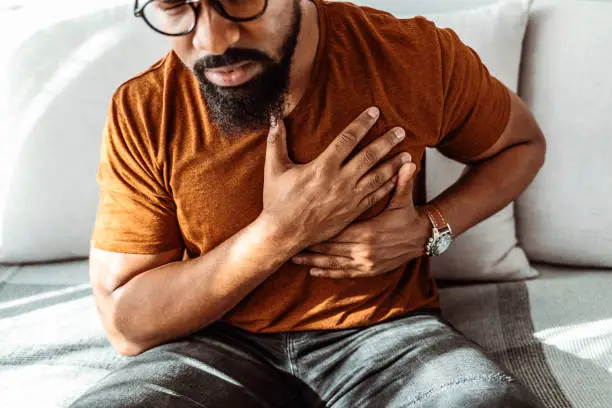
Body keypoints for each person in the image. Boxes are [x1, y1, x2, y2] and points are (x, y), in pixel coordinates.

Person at [71, 0, 547, 406]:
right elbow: (126, 323)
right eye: (176, 4)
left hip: (386, 334)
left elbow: (521, 145)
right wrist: (282, 230)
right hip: (208, 341)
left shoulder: (413, 56)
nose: (213, 40)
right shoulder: (146, 107)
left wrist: (429, 229)